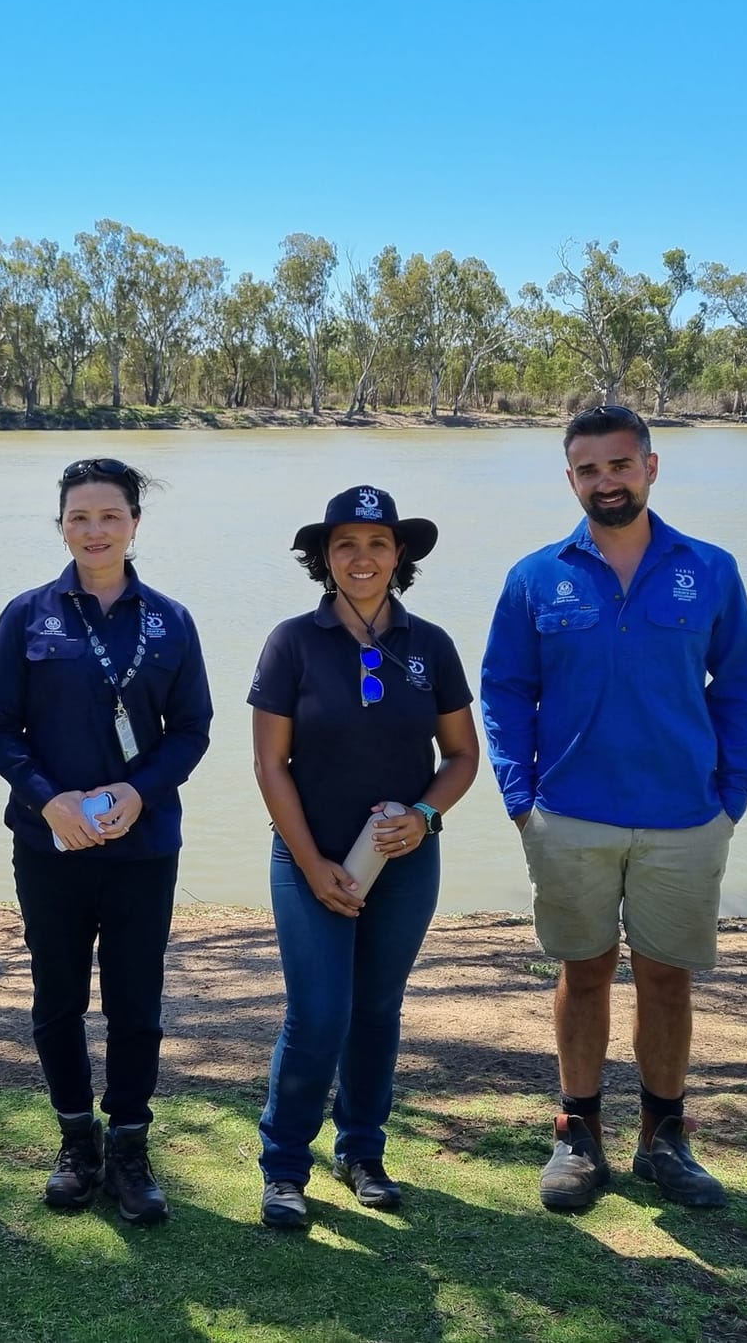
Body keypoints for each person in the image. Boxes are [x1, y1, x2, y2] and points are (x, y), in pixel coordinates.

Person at [480, 404, 747, 1212]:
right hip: (570, 813)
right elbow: (504, 691)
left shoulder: (710, 569)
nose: (605, 482)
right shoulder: (536, 577)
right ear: (570, 479)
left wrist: (733, 794)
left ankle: (664, 1141)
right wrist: (519, 798)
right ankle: (578, 1137)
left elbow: (741, 688)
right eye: (588, 470)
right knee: (584, 971)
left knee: (668, 978)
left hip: (687, 815)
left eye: (619, 465)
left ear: (650, 466)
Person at [0, 458, 213, 1224]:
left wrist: (140, 792)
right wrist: (49, 802)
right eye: (79, 517)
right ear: (61, 527)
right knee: (58, 998)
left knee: (136, 1001)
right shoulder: (27, 616)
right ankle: (77, 1142)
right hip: (51, 844)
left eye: (110, 515)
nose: (95, 530)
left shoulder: (171, 621)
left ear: (135, 524)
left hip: (143, 847)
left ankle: (130, 1146)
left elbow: (192, 730)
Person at [247, 485, 480, 1230]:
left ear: (399, 554)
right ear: (324, 556)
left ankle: (362, 1153)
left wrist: (424, 816)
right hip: (309, 860)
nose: (362, 557)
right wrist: (313, 864)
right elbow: (270, 765)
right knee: (319, 1014)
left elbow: (462, 755)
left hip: (404, 861)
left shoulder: (431, 645)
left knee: (377, 1011)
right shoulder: (292, 642)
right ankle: (285, 1166)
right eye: (345, 543)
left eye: (378, 543)